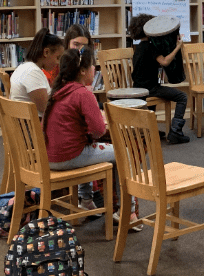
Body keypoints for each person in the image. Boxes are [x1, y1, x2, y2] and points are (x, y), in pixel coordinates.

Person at [42, 47, 141, 232]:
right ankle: (128, 211)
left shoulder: (57, 91)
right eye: (92, 66)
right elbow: (98, 130)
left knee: (88, 145)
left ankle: (86, 201)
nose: (94, 69)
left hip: (49, 157)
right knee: (124, 152)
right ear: (82, 71)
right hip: (69, 157)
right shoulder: (83, 94)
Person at [129, 14, 190, 144]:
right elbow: (165, 62)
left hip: (138, 87)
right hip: (150, 89)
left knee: (153, 105)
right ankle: (175, 132)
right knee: (182, 97)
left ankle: (150, 130)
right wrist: (177, 47)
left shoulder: (139, 47)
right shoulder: (150, 47)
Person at [10, 28, 64, 115]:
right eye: (57, 58)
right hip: (35, 126)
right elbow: (45, 108)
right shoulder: (32, 72)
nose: (58, 63)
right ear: (46, 52)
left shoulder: (25, 67)